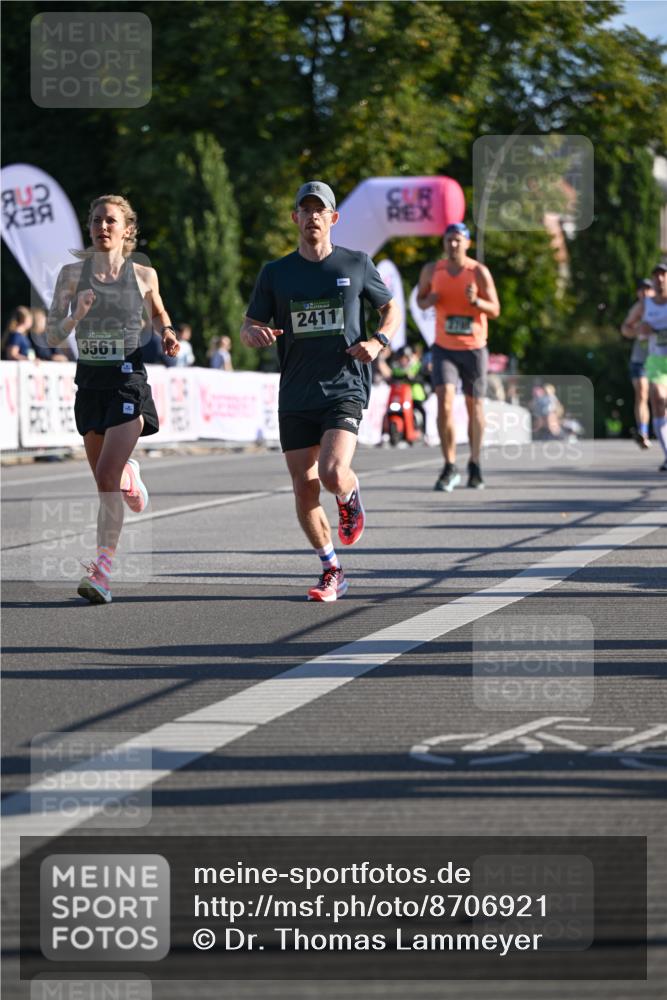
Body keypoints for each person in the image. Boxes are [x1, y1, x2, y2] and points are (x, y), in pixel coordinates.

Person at [240, 180, 401, 601]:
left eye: (320, 209)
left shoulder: (356, 264)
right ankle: (332, 570)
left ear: (334, 218)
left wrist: (378, 341)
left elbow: (390, 308)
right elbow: (248, 325)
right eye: (305, 209)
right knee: (304, 487)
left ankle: (348, 494)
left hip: (344, 385)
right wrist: (253, 335)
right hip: (295, 392)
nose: (312, 216)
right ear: (295, 217)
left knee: (331, 473)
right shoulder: (276, 273)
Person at [47, 193, 179, 604]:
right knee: (106, 481)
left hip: (128, 381)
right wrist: (76, 316)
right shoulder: (71, 275)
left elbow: (158, 313)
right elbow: (51, 334)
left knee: (105, 477)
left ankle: (102, 570)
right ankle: (128, 474)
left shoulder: (143, 274)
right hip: (89, 385)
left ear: (127, 230)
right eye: (97, 221)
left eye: (111, 222)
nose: (103, 228)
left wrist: (168, 332)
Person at [416, 222, 500, 491]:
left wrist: (477, 302)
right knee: (445, 404)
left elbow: (495, 309)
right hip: (444, 348)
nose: (453, 245)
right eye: (449, 240)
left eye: (458, 240)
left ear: (467, 243)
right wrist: (430, 300)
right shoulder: (432, 270)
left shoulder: (478, 272)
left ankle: (474, 463)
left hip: (474, 348)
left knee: (474, 407)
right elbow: (420, 300)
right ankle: (449, 465)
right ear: (444, 243)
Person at [622, 262, 667, 471]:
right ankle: (659, 445)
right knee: (655, 398)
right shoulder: (644, 306)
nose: (660, 279)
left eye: (663, 275)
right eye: (656, 275)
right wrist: (640, 329)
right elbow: (626, 329)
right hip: (655, 360)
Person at [621, 278, 654, 449]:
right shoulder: (638, 309)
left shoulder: (661, 306)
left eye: (648, 289)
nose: (645, 293)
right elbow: (625, 329)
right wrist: (637, 331)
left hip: (660, 360)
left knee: (661, 398)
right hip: (640, 360)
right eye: (641, 290)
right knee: (642, 393)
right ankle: (643, 432)